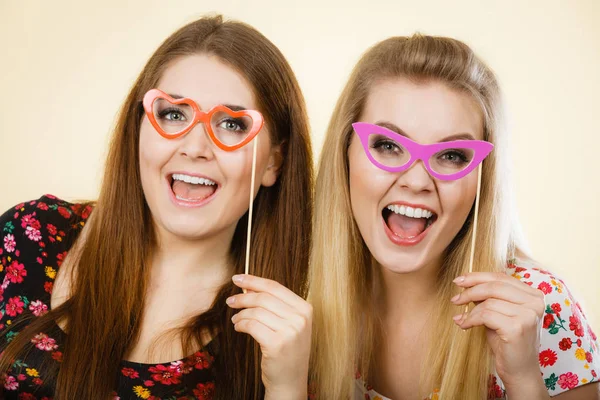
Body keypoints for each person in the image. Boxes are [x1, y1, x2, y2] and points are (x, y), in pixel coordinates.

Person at [0, 15, 313, 400]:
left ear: (273, 163)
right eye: (173, 114)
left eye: (231, 124)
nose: (195, 147)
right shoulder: (29, 235)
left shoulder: (291, 330)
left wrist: (287, 389)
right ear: (139, 128)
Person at [308, 34, 599, 399]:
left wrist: (525, 380)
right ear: (344, 153)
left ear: (484, 178)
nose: (416, 181)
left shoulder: (540, 310)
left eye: (452, 156)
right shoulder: (302, 303)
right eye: (388, 145)